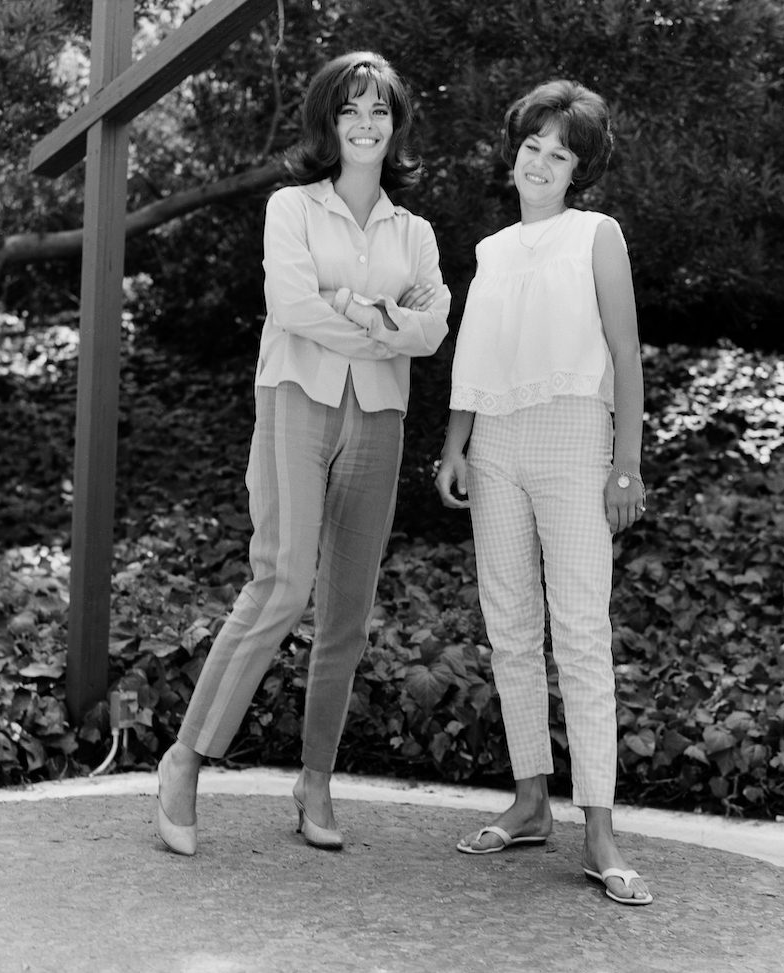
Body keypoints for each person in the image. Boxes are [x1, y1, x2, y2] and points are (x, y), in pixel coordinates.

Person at [156, 51, 450, 856]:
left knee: (348, 610)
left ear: (396, 125)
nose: (366, 123)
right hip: (295, 398)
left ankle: (314, 778)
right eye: (352, 108)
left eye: (380, 110)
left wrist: (360, 311)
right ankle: (186, 758)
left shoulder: (414, 231)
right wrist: (383, 312)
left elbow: (435, 330)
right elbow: (288, 306)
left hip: (380, 413)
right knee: (281, 581)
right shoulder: (291, 208)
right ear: (329, 120)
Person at [434, 79, 651, 905]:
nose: (540, 161)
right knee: (511, 622)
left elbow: (626, 356)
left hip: (573, 436)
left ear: (578, 171)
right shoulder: (491, 251)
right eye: (532, 145)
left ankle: (599, 829)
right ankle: (531, 799)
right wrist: (453, 447)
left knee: (582, 627)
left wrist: (625, 464)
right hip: (494, 443)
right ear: (514, 150)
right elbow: (474, 362)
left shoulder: (597, 236)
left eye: (559, 154)